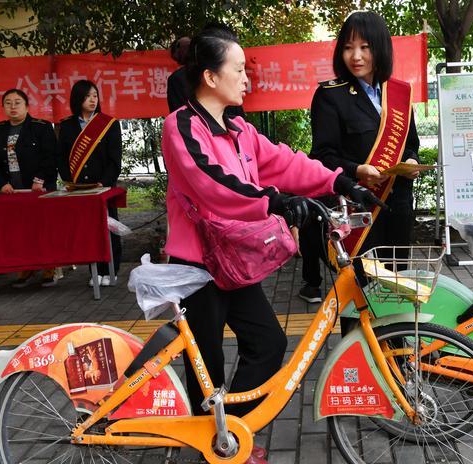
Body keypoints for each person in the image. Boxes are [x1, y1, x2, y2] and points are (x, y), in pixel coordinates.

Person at [160, 27, 380, 464]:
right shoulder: (181, 126)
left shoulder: (238, 128)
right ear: (210, 76)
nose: (247, 79)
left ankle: (230, 433)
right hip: (196, 265)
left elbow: (284, 161)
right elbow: (213, 185)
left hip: (232, 261)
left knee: (268, 343)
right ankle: (214, 446)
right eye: (239, 70)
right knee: (206, 366)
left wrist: (340, 182)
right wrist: (276, 201)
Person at [298, 10, 420, 304]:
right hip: (358, 210)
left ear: (380, 48)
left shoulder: (398, 93)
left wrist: (413, 161)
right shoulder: (330, 96)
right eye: (348, 47)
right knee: (361, 294)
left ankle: (395, 336)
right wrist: (356, 170)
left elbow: (411, 145)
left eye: (365, 47)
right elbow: (322, 157)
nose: (356, 56)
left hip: (397, 206)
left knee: (396, 289)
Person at [0, 88, 59, 288]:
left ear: (27, 106)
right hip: (13, 190)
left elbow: (51, 157)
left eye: (17, 102)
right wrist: (2, 183)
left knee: (43, 229)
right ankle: (26, 268)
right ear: (3, 107)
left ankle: (49, 267)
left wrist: (40, 179)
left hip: (39, 188)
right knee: (20, 230)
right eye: (8, 103)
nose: (13, 107)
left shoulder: (41, 127)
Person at [57, 80, 123, 287]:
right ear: (77, 99)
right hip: (80, 188)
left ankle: (111, 269)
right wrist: (70, 181)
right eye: (87, 96)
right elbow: (62, 158)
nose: (92, 100)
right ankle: (95, 271)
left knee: (109, 227)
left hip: (103, 186)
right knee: (89, 230)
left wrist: (104, 181)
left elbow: (115, 159)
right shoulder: (67, 125)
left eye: (95, 95)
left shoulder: (109, 124)